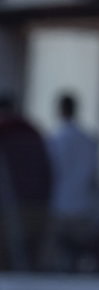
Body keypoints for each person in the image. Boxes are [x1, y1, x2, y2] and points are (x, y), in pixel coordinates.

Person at [46, 91, 98, 271]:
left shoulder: (57, 139)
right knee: (81, 258)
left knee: (55, 258)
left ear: (60, 111)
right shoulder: (87, 139)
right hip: (82, 204)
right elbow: (93, 173)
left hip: (59, 204)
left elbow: (50, 170)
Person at [0, 92, 51, 271]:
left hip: (8, 207)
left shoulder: (4, 133)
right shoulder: (33, 133)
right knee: (30, 259)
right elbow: (48, 170)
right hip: (38, 203)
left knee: (6, 261)